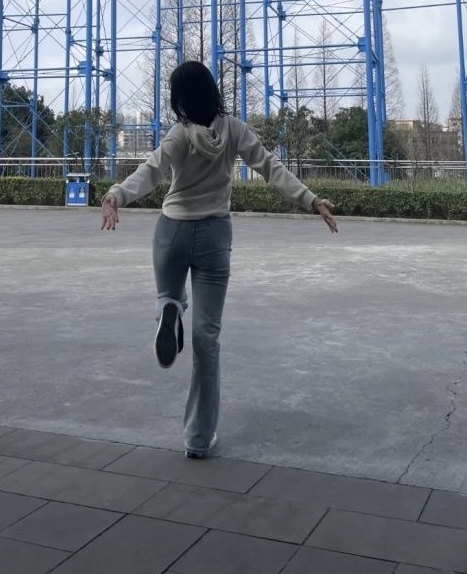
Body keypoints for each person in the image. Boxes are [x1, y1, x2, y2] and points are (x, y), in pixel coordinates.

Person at [101, 61, 337, 459]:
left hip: (172, 232)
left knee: (168, 294)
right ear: (212, 90)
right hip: (214, 235)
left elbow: (152, 170)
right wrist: (311, 200)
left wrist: (115, 196)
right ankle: (198, 438)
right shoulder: (234, 130)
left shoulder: (179, 135)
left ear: (179, 99)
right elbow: (270, 167)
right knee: (206, 339)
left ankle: (169, 306)